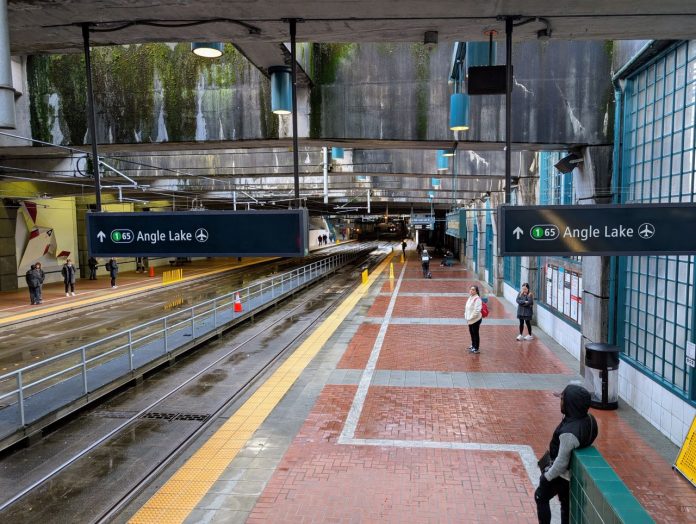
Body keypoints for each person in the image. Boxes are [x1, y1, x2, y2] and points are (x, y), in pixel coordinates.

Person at [535, 384, 598, 524]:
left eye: (562, 399)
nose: (560, 402)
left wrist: (547, 477)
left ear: (570, 404)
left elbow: (562, 463)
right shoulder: (589, 420)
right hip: (571, 476)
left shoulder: (569, 434)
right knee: (565, 505)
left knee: (540, 496)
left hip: (562, 476)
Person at [465, 285, 483, 353]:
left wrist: (470, 317)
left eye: (473, 290)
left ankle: (476, 348)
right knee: (471, 333)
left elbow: (477, 311)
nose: (471, 291)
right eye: (470, 289)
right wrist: (466, 316)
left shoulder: (477, 299)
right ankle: (473, 345)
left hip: (475, 320)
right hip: (470, 319)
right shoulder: (470, 297)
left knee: (475, 333)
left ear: (476, 291)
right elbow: (467, 308)